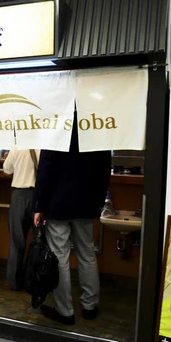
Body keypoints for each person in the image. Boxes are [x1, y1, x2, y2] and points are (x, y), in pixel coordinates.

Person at [32, 116, 111, 325]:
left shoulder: (57, 127)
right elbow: (105, 168)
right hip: (86, 203)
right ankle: (90, 306)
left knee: (60, 257)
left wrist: (39, 205)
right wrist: (99, 200)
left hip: (58, 204)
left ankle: (65, 310)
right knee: (87, 253)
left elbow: (45, 169)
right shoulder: (95, 127)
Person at [3, 146, 40, 290]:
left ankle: (14, 282)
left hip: (18, 196)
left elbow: (6, 171)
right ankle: (35, 280)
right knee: (40, 241)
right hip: (38, 197)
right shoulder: (44, 147)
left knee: (16, 241)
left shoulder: (17, 147)